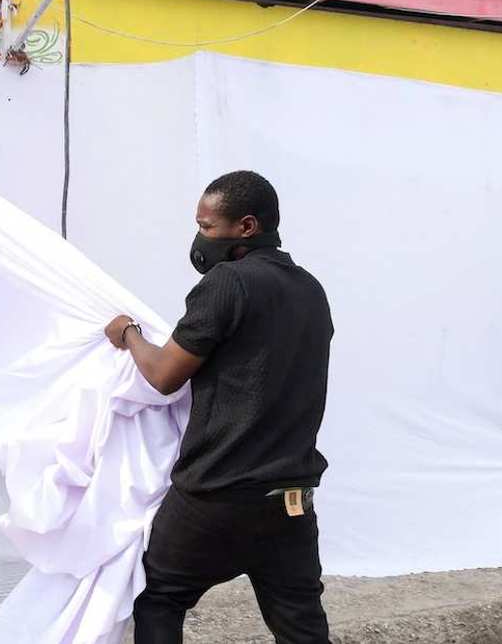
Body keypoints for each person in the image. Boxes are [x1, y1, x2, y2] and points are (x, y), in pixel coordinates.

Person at [104, 170, 333, 644]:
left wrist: (129, 335)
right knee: (301, 628)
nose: (199, 238)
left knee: (159, 598)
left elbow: (165, 375)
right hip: (291, 501)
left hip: (217, 495)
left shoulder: (228, 283)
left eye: (207, 227)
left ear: (246, 227)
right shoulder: (312, 290)